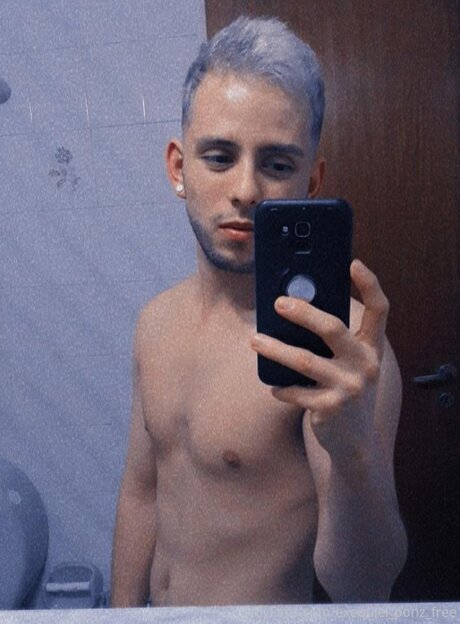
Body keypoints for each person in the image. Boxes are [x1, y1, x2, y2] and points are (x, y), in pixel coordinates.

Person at [111, 15, 407, 607]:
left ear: (311, 183)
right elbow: (141, 495)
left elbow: (364, 586)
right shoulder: (155, 322)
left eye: (276, 164)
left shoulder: (336, 346)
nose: (246, 189)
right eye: (220, 157)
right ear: (179, 169)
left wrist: (355, 451)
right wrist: (121, 616)